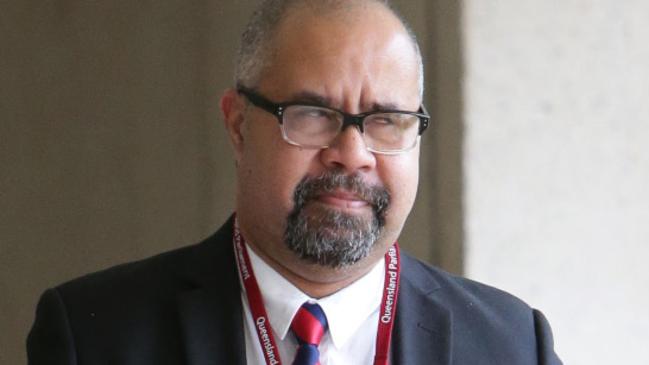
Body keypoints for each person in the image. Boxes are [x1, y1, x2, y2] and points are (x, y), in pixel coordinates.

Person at [27, 0, 563, 364]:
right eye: (312, 114)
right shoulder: (94, 336)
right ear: (238, 125)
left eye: (385, 120)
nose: (351, 154)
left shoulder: (511, 345)